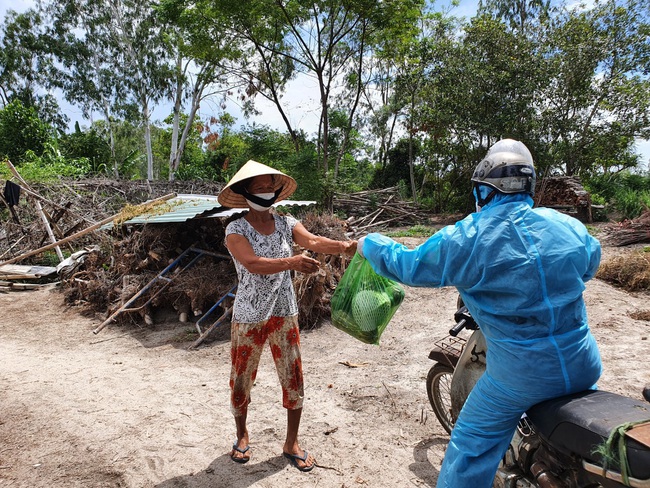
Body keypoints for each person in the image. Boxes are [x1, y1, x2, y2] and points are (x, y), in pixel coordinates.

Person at [357, 139, 603, 487]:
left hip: (521, 375)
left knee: (469, 449)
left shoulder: (467, 237)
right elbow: (590, 264)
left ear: (485, 190)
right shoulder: (567, 226)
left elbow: (409, 266)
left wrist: (370, 243)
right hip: (583, 364)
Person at [217, 160, 357, 471]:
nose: (266, 192)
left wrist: (346, 246)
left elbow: (313, 241)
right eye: (259, 188)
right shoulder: (235, 229)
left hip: (283, 312)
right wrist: (291, 263)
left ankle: (291, 441)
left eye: (270, 187)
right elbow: (252, 263)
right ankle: (242, 435)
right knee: (241, 379)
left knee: (293, 376)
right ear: (245, 192)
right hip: (249, 315)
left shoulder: (285, 223)